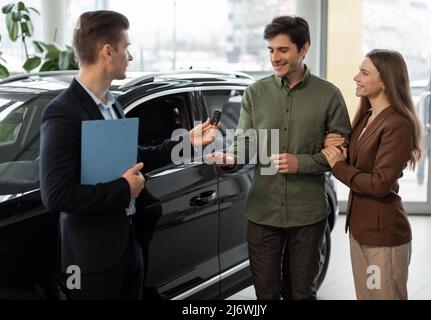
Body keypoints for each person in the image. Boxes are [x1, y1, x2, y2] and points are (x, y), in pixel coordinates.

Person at [39, 10, 217, 300]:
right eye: (127, 48)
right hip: (90, 259)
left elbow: (134, 156)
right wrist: (124, 189)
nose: (130, 56)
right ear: (107, 51)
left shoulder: (112, 105)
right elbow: (56, 195)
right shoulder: (62, 112)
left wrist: (188, 142)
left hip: (128, 246)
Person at [208, 16, 351, 300]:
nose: (275, 57)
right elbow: (244, 144)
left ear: (304, 48)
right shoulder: (255, 93)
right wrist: (230, 159)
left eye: (283, 50)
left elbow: (341, 154)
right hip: (263, 212)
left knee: (302, 293)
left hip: (308, 215)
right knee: (266, 294)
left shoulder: (329, 96)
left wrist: (303, 163)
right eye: (271, 50)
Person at [321, 49, 422, 300]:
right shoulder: (367, 117)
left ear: (386, 80)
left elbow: (379, 184)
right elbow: (360, 163)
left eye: (364, 73)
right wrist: (340, 150)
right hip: (361, 229)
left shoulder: (398, 124)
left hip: (382, 236)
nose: (356, 77)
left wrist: (338, 165)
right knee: (367, 296)